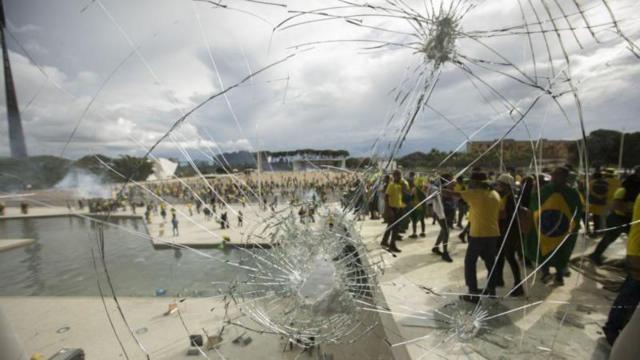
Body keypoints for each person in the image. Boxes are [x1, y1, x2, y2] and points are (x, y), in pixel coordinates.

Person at [524, 166, 583, 286]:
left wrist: (573, 227)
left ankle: (559, 276)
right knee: (545, 251)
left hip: (560, 230)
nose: (554, 177)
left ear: (565, 177)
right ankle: (546, 273)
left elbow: (577, 211)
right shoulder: (547, 190)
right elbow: (534, 205)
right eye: (554, 174)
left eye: (556, 175)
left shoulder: (572, 193)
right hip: (545, 228)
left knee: (560, 253)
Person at [448, 171, 501, 303]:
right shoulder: (494, 194)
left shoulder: (476, 194)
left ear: (477, 183)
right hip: (493, 234)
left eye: (471, 182)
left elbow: (455, 194)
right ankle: (492, 290)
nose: (469, 184)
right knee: (490, 263)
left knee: (470, 262)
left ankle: (473, 294)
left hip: (478, 234)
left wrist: (439, 189)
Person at [602, 193, 640, 346]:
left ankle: (618, 327)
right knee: (631, 292)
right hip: (638, 252)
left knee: (631, 291)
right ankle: (612, 327)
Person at [590, 167, 640, 265]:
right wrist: (631, 211)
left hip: (631, 220)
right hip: (618, 219)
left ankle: (631, 262)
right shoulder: (624, 188)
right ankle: (595, 255)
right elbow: (616, 205)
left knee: (634, 243)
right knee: (609, 238)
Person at [493, 174, 524, 296]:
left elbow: (510, 216)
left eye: (499, 184)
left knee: (510, 257)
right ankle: (499, 279)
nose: (497, 186)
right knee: (500, 255)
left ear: (505, 185)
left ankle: (518, 285)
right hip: (502, 231)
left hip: (510, 231)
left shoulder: (512, 198)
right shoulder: (506, 195)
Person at [427, 177, 452, 262]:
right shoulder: (435, 189)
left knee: (444, 230)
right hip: (440, 212)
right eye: (450, 180)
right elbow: (430, 200)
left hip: (443, 211)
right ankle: (445, 252)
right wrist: (430, 211)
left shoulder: (440, 188)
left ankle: (436, 247)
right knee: (446, 231)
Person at [380, 170, 406, 253]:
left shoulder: (400, 185)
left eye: (400, 175)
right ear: (394, 176)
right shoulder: (391, 185)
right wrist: (389, 210)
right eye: (398, 175)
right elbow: (386, 197)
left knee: (391, 226)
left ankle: (384, 241)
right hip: (392, 208)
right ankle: (392, 245)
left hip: (398, 208)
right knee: (395, 228)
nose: (399, 176)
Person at [587, 172, 608, 236]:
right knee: (599, 218)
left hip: (593, 202)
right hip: (602, 203)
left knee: (591, 217)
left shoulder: (591, 182)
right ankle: (598, 231)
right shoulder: (606, 183)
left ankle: (591, 231)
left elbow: (588, 192)